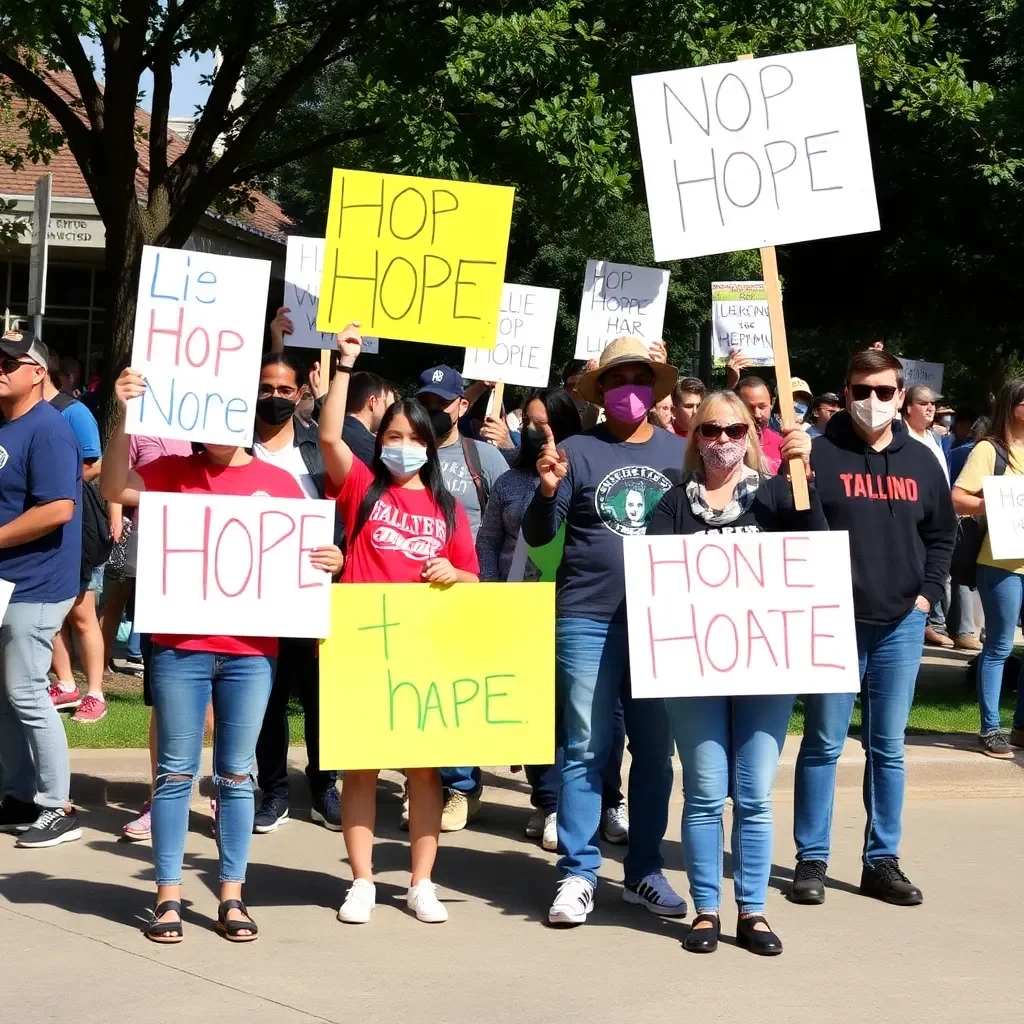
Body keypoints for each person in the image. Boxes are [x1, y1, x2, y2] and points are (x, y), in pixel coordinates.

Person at [101, 370, 336, 944]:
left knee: (237, 776)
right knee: (175, 774)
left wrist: (328, 558)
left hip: (252, 654)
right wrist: (123, 413)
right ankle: (167, 897)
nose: (216, 431)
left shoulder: (278, 483)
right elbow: (112, 486)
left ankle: (232, 894)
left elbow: (305, 550)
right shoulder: (168, 473)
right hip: (181, 647)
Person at [649, 391, 824, 955]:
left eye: (732, 429)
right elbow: (655, 583)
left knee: (753, 795)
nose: (721, 440)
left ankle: (753, 911)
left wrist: (805, 483)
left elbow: (813, 556)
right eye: (708, 431)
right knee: (703, 792)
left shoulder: (777, 495)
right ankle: (705, 912)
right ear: (694, 439)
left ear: (751, 432)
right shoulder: (672, 505)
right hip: (692, 671)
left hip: (766, 668)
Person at [522, 335, 688, 926]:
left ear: (655, 387)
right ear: (601, 393)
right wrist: (546, 493)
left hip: (661, 624)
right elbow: (540, 540)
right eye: (617, 382)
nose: (629, 391)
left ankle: (643, 869)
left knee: (653, 754)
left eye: (639, 379)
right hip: (587, 619)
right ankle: (577, 872)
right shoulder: (573, 451)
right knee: (584, 750)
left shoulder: (681, 452)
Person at [318, 324, 480, 925]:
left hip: (424, 651)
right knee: (360, 765)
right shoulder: (361, 488)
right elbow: (330, 433)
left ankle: (421, 882)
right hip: (362, 645)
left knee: (422, 769)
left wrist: (451, 573)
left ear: (430, 447)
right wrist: (344, 365)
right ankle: (361, 881)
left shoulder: (448, 509)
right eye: (392, 435)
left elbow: (473, 579)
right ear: (379, 441)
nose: (402, 445)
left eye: (413, 438)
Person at [790, 348, 955, 908]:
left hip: (900, 625)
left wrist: (926, 597)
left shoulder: (923, 461)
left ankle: (881, 861)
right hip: (834, 622)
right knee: (823, 745)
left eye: (885, 392)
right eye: (862, 389)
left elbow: (942, 535)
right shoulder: (817, 452)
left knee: (888, 747)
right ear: (847, 388)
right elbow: (788, 526)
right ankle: (811, 858)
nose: (873, 401)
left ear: (902, 397)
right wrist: (791, 474)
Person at [250, 352, 344, 833]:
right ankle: (274, 790)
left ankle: (324, 784)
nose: (276, 397)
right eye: (267, 388)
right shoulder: (235, 448)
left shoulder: (315, 451)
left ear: (300, 395)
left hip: (312, 593)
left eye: (286, 390)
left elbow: (347, 508)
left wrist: (340, 555)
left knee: (318, 696)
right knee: (267, 697)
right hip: (253, 597)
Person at [415, 365, 508, 830]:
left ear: (461, 406)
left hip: (469, 592)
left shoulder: (484, 457)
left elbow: (509, 520)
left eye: (442, 403)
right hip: (412, 594)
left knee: (457, 696)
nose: (434, 410)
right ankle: (426, 781)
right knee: (420, 692)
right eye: (426, 402)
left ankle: (461, 787)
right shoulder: (406, 452)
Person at [0, 329, 83, 848]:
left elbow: (58, 509)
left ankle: (58, 806)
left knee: (27, 690)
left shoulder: (49, 429)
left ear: (38, 372)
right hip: (6, 580)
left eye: (10, 361)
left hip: (37, 582)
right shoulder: (5, 426)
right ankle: (18, 793)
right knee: (4, 694)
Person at [114, 432, 195, 842]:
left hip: (225, 589)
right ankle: (159, 798)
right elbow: (114, 485)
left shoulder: (233, 445)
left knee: (222, 704)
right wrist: (123, 417)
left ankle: (223, 791)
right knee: (164, 700)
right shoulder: (148, 438)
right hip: (163, 578)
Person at [951, 379, 1024, 759]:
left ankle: (1021, 726)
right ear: (1013, 405)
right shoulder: (988, 450)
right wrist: (995, 504)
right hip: (1000, 563)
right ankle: (990, 728)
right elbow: (958, 498)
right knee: (999, 645)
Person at [42, 353, 110, 723]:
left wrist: (50, 492)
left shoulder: (73, 411)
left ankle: (95, 693)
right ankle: (66, 684)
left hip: (77, 528)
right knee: (49, 614)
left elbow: (94, 462)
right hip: (41, 532)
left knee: (82, 613)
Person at [901, 385, 954, 649]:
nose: (930, 408)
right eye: (923, 403)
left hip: (939, 514)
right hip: (913, 516)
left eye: (933, 403)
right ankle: (922, 623)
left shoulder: (936, 438)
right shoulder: (901, 436)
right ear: (908, 406)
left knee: (940, 572)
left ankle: (930, 619)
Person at [343, 372, 397, 465]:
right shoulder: (371, 448)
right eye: (389, 407)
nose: (392, 415)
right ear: (373, 402)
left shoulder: (334, 429)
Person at [735, 375, 784, 474]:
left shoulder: (781, 443)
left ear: (771, 404)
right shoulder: (728, 442)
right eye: (749, 408)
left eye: (762, 407)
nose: (757, 414)